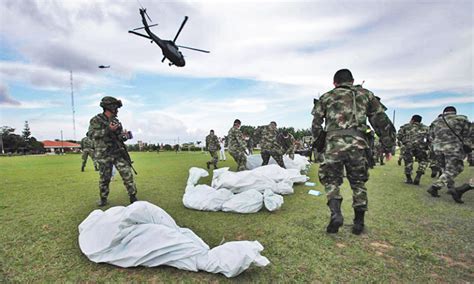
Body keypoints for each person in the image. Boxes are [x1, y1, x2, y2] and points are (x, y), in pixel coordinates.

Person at [311, 69, 395, 235]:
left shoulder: (326, 97)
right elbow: (381, 121)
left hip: (333, 145)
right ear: (352, 80)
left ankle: (336, 214)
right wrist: (388, 145)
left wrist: (319, 143)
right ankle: (359, 223)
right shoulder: (365, 95)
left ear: (334, 83)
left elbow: (316, 125)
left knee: (331, 180)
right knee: (358, 183)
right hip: (358, 145)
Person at [88, 96, 138, 206]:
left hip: (117, 153)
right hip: (103, 154)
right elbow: (91, 134)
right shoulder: (96, 120)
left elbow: (119, 138)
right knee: (105, 179)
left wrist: (125, 136)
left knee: (127, 174)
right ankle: (103, 199)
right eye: (116, 108)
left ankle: (133, 196)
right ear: (110, 107)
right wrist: (108, 130)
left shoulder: (116, 122)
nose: (117, 110)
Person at [427, 106, 471, 198]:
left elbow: (430, 136)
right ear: (455, 112)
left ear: (444, 112)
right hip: (453, 148)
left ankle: (451, 187)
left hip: (437, 148)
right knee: (456, 168)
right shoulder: (461, 119)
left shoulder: (435, 122)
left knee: (445, 169)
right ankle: (435, 187)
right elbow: (469, 134)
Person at [397, 115, 430, 185]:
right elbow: (430, 138)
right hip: (421, 147)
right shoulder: (426, 128)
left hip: (408, 146)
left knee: (408, 163)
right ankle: (419, 174)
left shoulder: (405, 126)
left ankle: (409, 179)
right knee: (423, 161)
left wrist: (403, 142)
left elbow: (399, 136)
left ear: (412, 119)